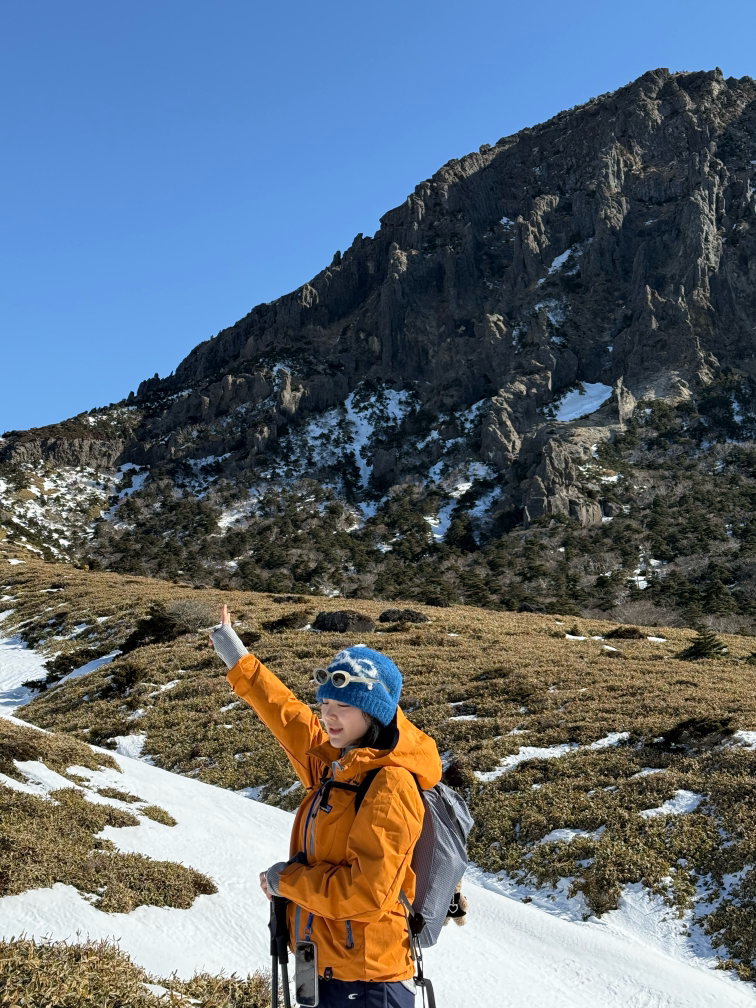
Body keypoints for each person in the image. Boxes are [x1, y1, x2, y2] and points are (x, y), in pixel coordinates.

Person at [210, 604, 442, 1008]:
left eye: (344, 707)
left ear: (373, 713)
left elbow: (367, 894)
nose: (330, 717)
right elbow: (286, 715)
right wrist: (234, 652)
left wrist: (288, 882)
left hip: (366, 983)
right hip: (323, 964)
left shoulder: (389, 784)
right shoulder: (337, 765)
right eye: (326, 704)